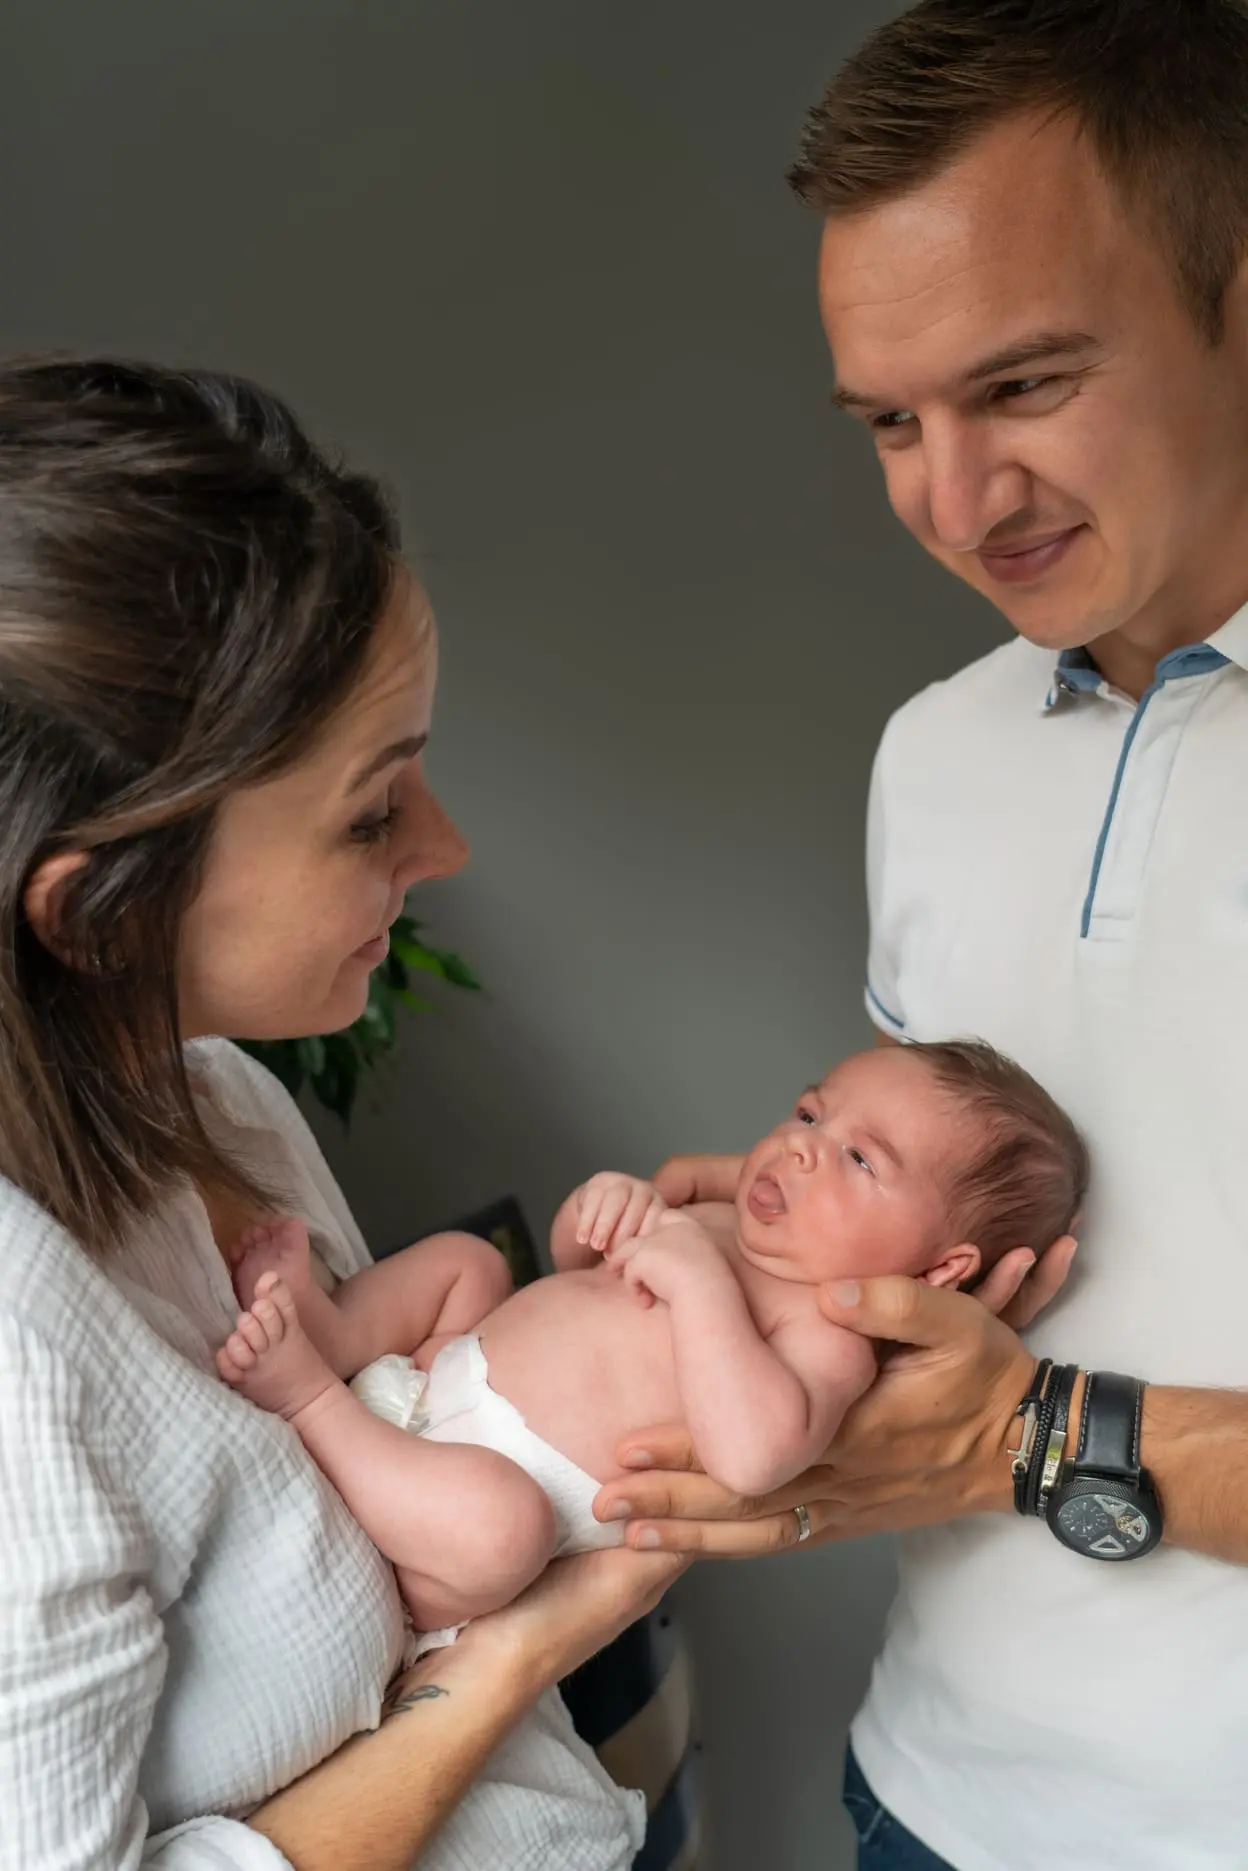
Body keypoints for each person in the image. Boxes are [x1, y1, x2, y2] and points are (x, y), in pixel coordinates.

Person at [589, 3, 1248, 1867]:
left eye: (1023, 386)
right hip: (927, 1799)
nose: (952, 505)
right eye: (891, 421)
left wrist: (1029, 1436)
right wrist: (803, 1233)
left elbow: (1008, 1409)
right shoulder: (935, 751)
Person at [0, 354, 682, 1871]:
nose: (440, 848)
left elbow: (407, 1457)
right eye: (372, 810)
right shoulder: (21, 1347)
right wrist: (514, 1655)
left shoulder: (224, 1105)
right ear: (100, 909)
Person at [215, 1039, 1087, 1633]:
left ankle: (308, 1398)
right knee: (470, 1262)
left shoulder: (829, 1334)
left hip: (477, 1500)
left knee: (503, 1529)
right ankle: (334, 1331)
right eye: (810, 1113)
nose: (801, 1147)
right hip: (437, 1376)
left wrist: (702, 1285)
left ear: (940, 1270)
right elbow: (575, 1269)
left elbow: (752, 1457)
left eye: (861, 1159)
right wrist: (601, 1209)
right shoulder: (716, 1216)